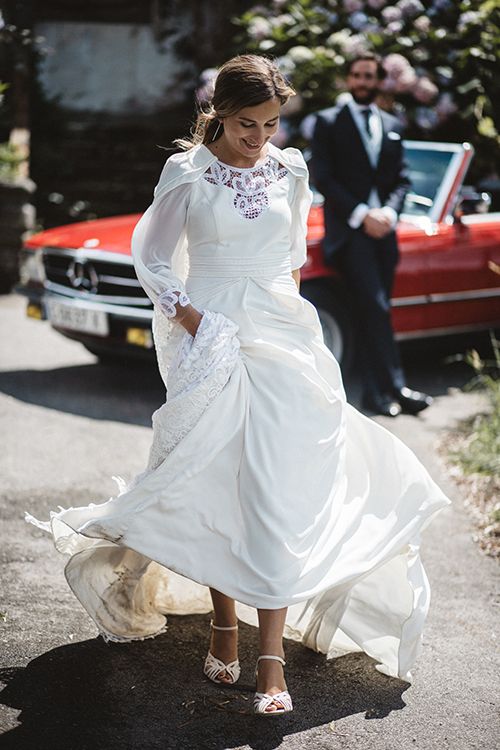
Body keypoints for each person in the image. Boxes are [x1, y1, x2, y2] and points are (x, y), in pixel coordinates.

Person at [25, 55, 449, 717]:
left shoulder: (292, 168)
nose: (260, 138)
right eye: (248, 124)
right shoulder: (186, 171)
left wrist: (297, 328)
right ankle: (226, 623)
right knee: (217, 479)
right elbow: (152, 256)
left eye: (272, 123)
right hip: (211, 331)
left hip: (281, 334)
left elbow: (292, 260)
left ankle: (272, 656)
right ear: (218, 113)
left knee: (279, 485)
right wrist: (196, 320)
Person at [311, 53, 433, 417]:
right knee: (374, 308)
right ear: (349, 79)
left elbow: (403, 179)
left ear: (379, 81)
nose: (362, 81)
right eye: (356, 75)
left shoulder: (392, 123)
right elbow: (324, 177)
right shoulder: (328, 122)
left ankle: (384, 392)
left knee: (376, 311)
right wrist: (362, 215)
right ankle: (387, 391)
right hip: (350, 234)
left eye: (369, 76)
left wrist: (390, 213)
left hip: (386, 232)